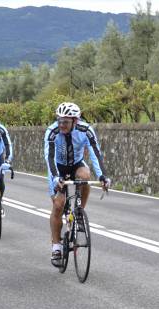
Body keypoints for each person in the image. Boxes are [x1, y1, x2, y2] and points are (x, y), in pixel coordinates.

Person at [44, 102, 110, 267]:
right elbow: (49, 157)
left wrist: (102, 175)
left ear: (75, 121)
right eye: (59, 120)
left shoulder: (85, 130)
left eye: (65, 122)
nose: (61, 125)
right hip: (58, 168)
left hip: (76, 164)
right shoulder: (52, 131)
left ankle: (79, 212)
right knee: (59, 205)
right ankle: (56, 247)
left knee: (85, 176)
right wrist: (55, 178)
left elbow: (95, 153)